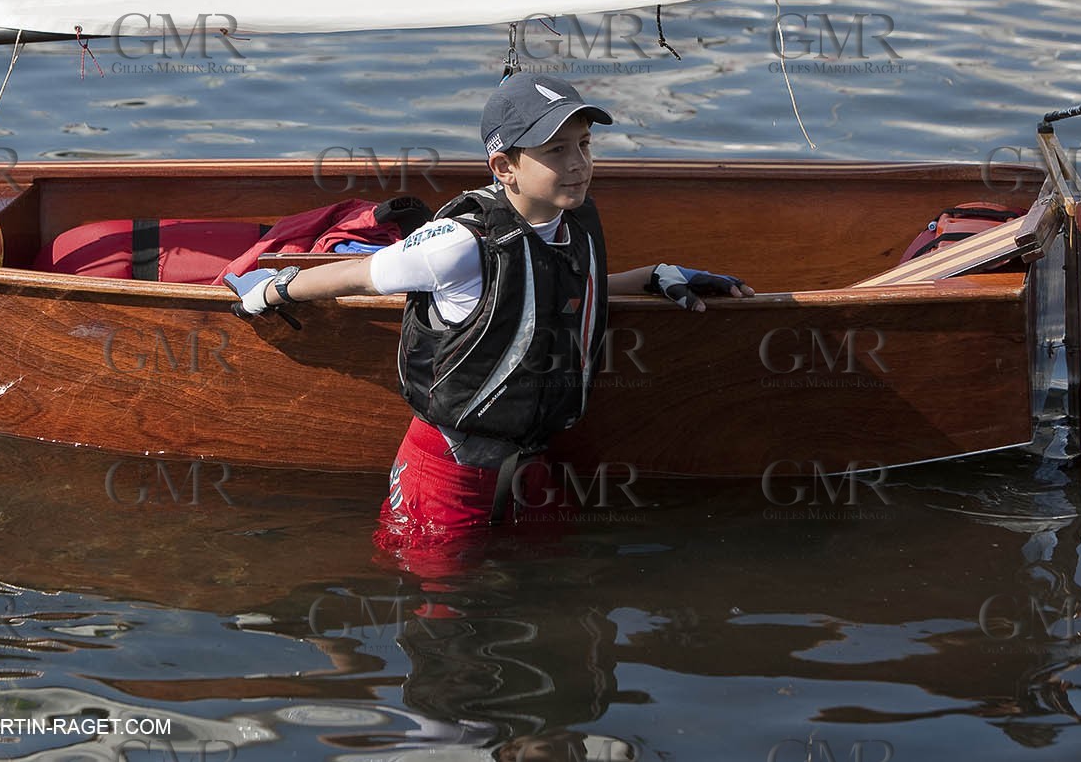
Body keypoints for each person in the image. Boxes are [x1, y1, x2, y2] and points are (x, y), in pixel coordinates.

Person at [229, 73, 754, 544]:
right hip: (448, 466)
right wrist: (274, 290)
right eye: (556, 150)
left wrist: (655, 276)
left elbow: (555, 294)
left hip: (533, 462)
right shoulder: (457, 243)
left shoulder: (573, 224)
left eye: (584, 144)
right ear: (505, 167)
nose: (578, 163)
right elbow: (361, 276)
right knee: (436, 596)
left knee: (551, 585)